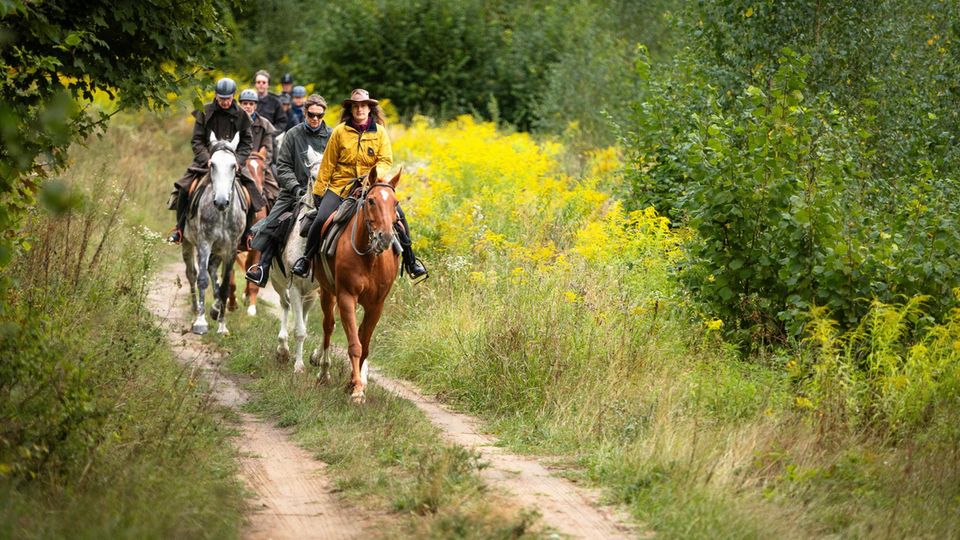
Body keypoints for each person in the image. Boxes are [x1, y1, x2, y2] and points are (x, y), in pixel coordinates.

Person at [292, 88, 427, 281]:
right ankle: (306, 260)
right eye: (356, 106)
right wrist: (319, 192)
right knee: (320, 219)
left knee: (399, 217)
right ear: (351, 109)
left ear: (369, 109)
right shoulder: (339, 132)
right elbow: (328, 163)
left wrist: (373, 176)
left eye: (363, 106)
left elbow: (385, 160)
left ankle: (411, 260)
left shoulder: (380, 133)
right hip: (340, 186)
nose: (360, 109)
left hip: (371, 185)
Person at [244, 94, 333, 286]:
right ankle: (262, 267)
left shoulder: (333, 135)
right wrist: (296, 188)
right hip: (295, 192)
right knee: (273, 224)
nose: (316, 119)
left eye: (320, 115)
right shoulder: (293, 134)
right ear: (304, 113)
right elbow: (282, 166)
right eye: (311, 115)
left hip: (326, 193)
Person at [167, 77, 259, 245]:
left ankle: (247, 234)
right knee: (184, 187)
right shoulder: (205, 112)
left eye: (228, 98)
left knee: (252, 189)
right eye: (222, 98)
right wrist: (206, 158)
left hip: (232, 163)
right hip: (207, 161)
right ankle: (179, 229)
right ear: (216, 95)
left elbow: (247, 143)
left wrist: (238, 160)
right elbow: (196, 141)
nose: (225, 102)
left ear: (233, 96)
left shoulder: (242, 115)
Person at [238, 89, 280, 202]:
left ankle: (276, 217)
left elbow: (268, 150)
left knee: (275, 192)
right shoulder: (234, 123)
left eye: (251, 104)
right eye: (245, 103)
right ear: (240, 105)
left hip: (259, 164)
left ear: (255, 106)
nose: (248, 106)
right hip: (238, 163)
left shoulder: (264, 124)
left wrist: (262, 165)